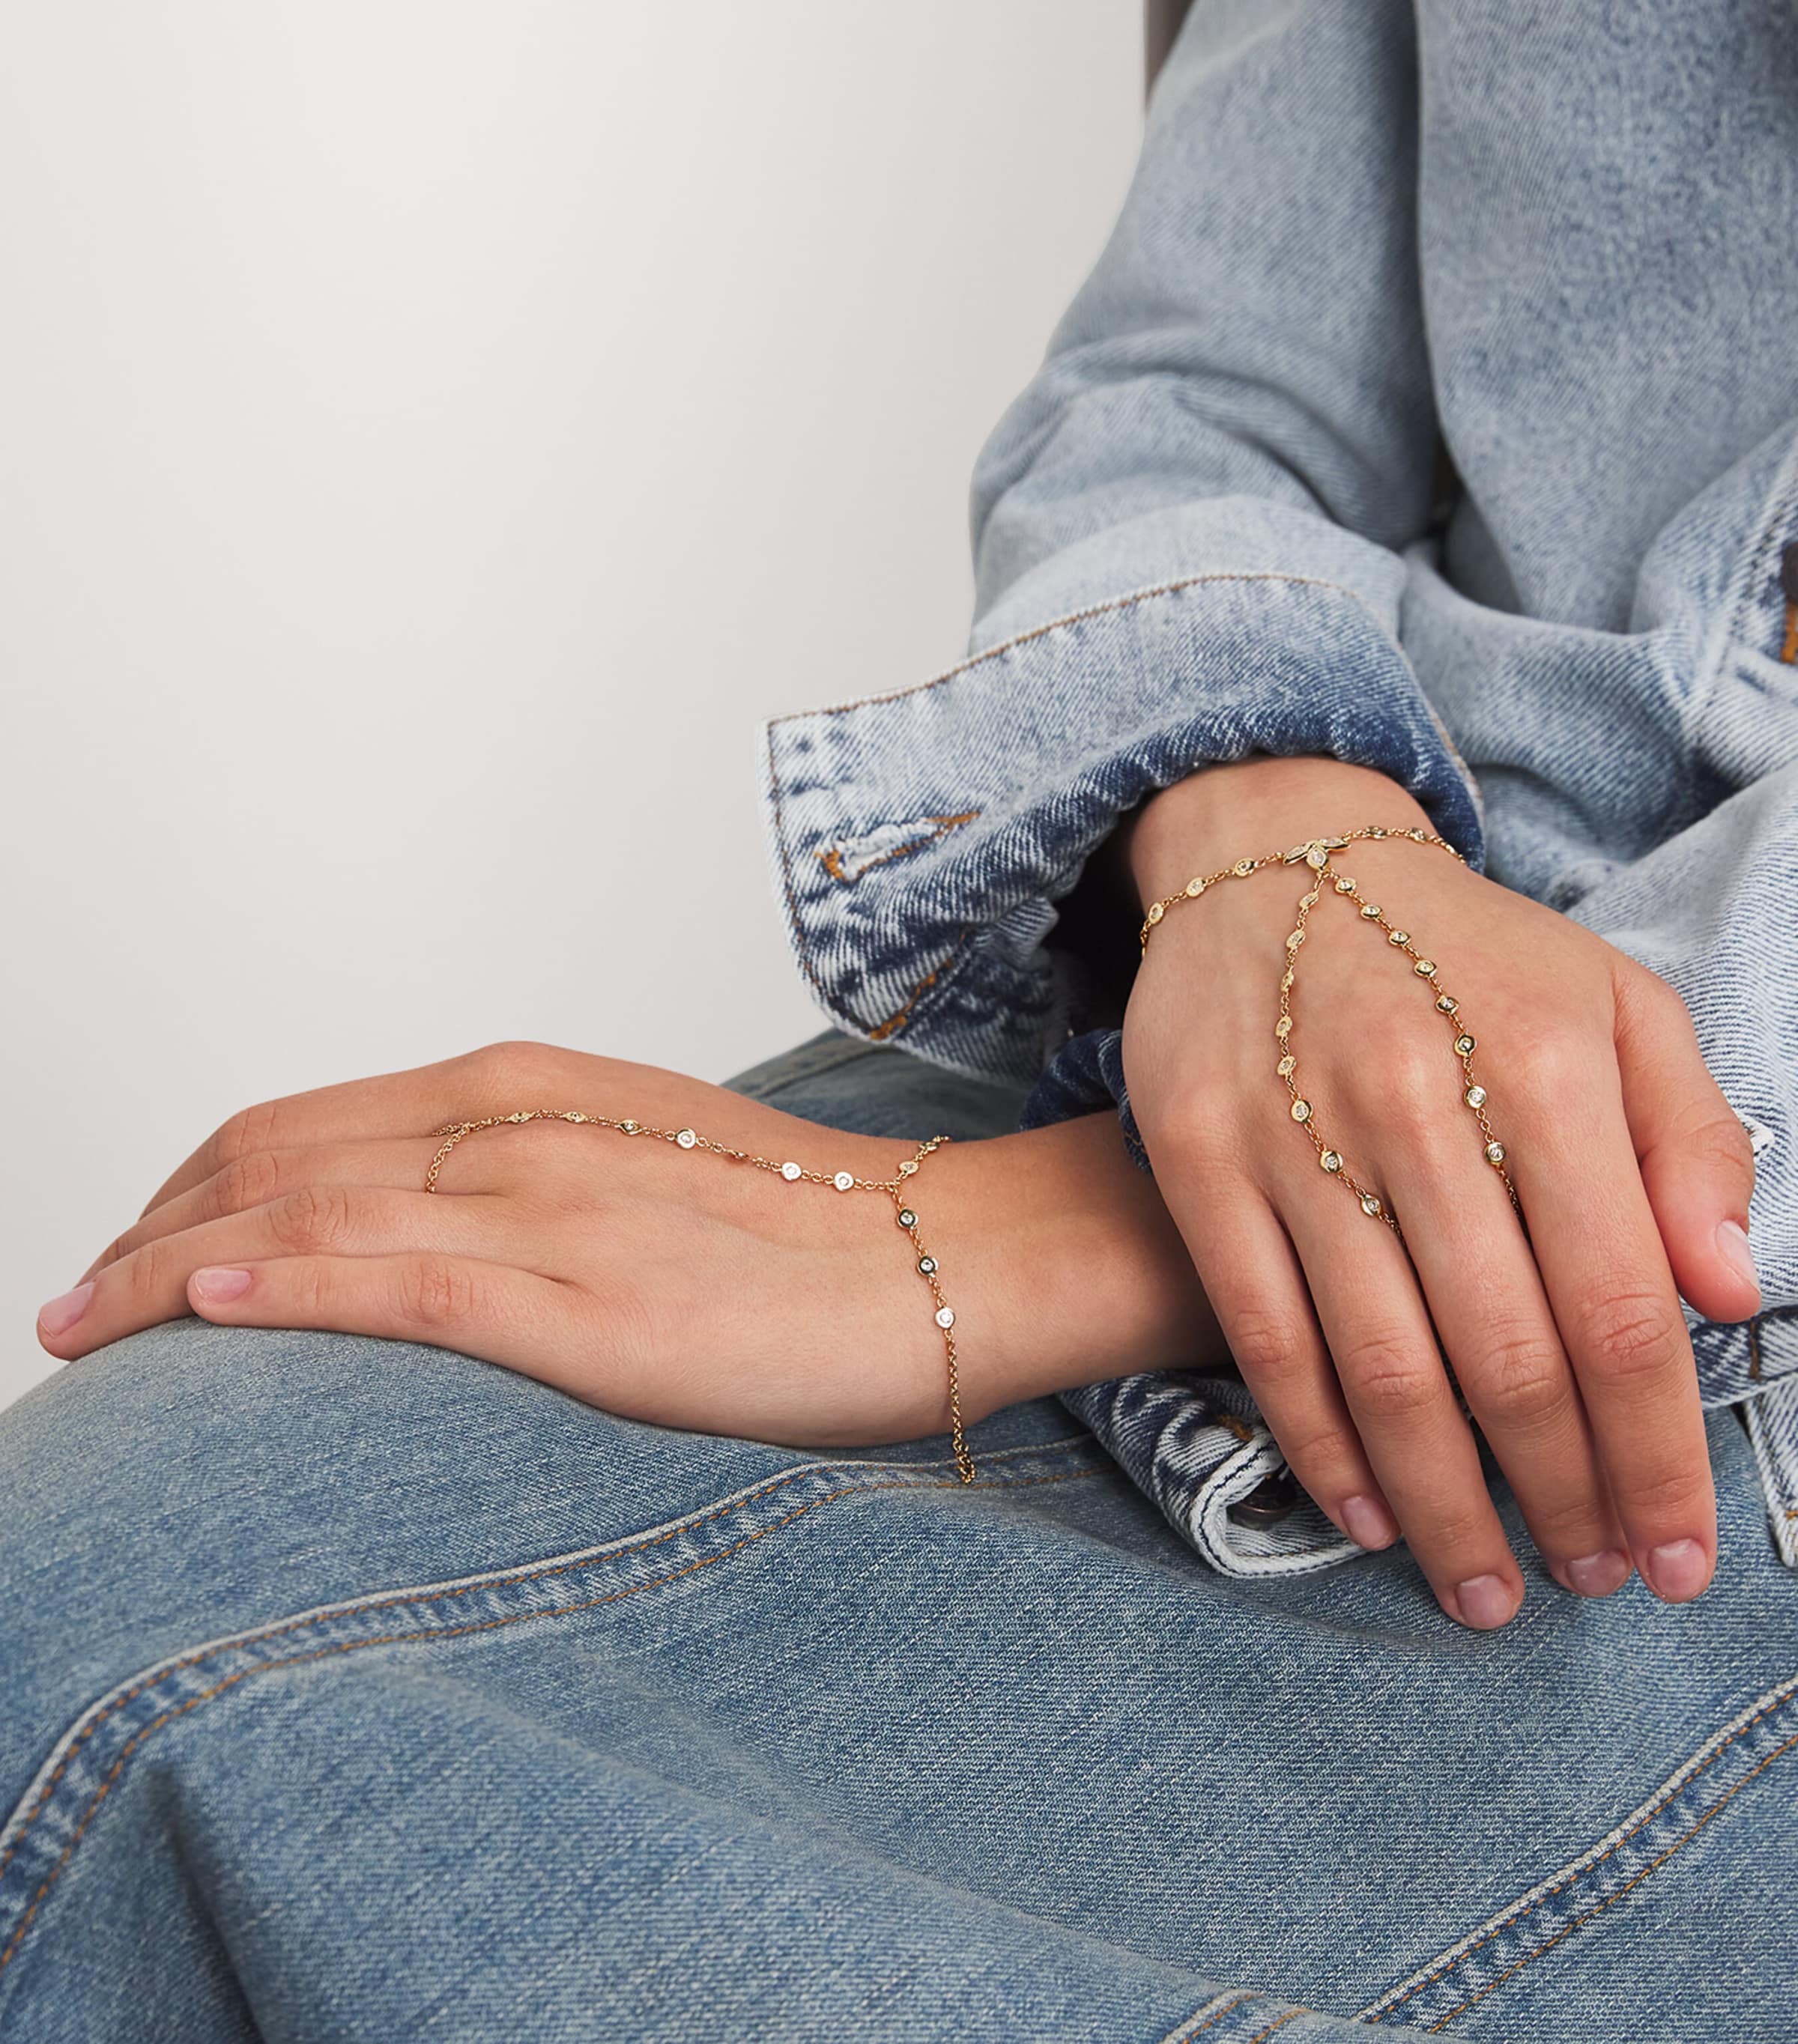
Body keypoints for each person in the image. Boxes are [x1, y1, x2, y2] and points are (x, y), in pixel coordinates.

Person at [4, 3, 1797, 2037]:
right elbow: (1210, 377)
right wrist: (1269, 830)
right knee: (90, 1626)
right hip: (1283, 968)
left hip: (1642, 1304)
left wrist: (1036, 1234)